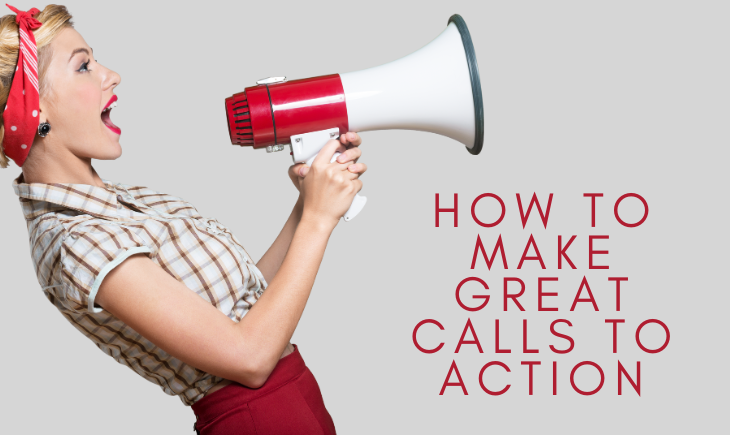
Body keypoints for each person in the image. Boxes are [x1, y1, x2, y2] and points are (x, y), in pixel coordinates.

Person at [1, 4, 366, 434]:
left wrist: (308, 203)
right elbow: (248, 359)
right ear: (34, 109)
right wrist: (318, 222)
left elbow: (245, 303)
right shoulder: (77, 242)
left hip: (293, 393)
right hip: (255, 417)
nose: (111, 75)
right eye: (83, 66)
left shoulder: (129, 202)